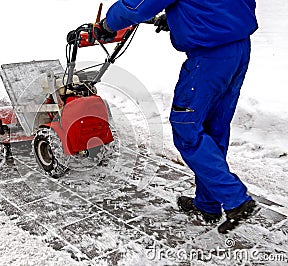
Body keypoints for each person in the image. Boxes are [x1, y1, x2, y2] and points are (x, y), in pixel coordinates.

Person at [93, 0, 259, 233]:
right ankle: (207, 204)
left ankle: (235, 199)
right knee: (213, 127)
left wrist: (107, 25)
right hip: (238, 46)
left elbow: (137, 6)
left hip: (209, 57)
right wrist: (180, 18)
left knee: (187, 129)